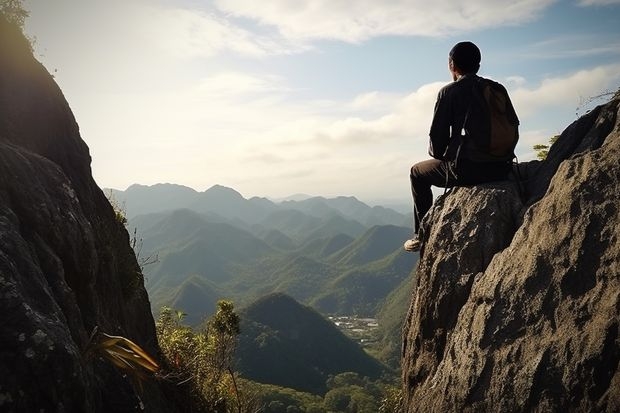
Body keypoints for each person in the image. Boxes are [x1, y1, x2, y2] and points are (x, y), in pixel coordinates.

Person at [404, 41, 519, 252]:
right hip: (502, 167)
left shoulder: (450, 92)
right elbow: (513, 125)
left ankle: (421, 235)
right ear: (478, 65)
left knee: (416, 172)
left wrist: (449, 151)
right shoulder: (497, 89)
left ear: (452, 65)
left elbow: (436, 146)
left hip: (469, 170)